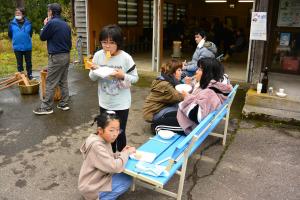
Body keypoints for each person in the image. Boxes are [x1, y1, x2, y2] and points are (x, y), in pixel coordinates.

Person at [89, 24, 138, 152]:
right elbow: (92, 78)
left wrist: (122, 76)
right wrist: (94, 70)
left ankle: (122, 158)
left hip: (121, 104)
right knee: (106, 132)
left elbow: (135, 78)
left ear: (119, 42)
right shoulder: (98, 55)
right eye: (104, 42)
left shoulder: (126, 58)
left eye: (111, 42)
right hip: (104, 102)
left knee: (119, 132)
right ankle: (109, 158)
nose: (107, 46)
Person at [78, 111, 136, 200]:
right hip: (90, 187)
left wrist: (121, 153)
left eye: (117, 130)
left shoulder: (101, 138)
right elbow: (114, 167)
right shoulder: (97, 145)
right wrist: (126, 153)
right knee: (126, 180)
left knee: (124, 172)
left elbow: (107, 156)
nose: (115, 134)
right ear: (100, 130)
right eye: (111, 130)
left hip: (93, 180)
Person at [33, 3, 72, 115]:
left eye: (48, 10)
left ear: (51, 12)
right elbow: (69, 43)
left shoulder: (51, 23)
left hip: (56, 56)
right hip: (66, 55)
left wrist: (45, 25)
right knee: (63, 80)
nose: (47, 12)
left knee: (50, 81)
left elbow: (42, 37)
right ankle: (64, 103)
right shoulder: (66, 24)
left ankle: (46, 107)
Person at [177, 58, 233, 134]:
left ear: (208, 73)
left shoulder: (209, 92)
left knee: (159, 122)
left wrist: (187, 97)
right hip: (198, 120)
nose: (196, 71)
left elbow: (197, 115)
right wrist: (190, 85)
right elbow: (198, 95)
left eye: (200, 69)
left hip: (191, 125)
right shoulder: (216, 84)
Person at [143, 59, 185, 133]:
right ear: (173, 72)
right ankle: (158, 125)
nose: (181, 72)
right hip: (152, 113)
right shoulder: (165, 84)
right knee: (182, 107)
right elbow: (181, 97)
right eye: (179, 70)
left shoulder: (166, 79)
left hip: (159, 108)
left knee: (181, 106)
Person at [8, 7, 33, 80]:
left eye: (19, 13)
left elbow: (30, 34)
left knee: (28, 63)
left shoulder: (29, 23)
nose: (17, 14)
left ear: (23, 14)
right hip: (17, 47)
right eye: (16, 13)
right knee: (19, 64)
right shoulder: (11, 23)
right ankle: (21, 77)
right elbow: (10, 34)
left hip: (27, 46)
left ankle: (30, 75)